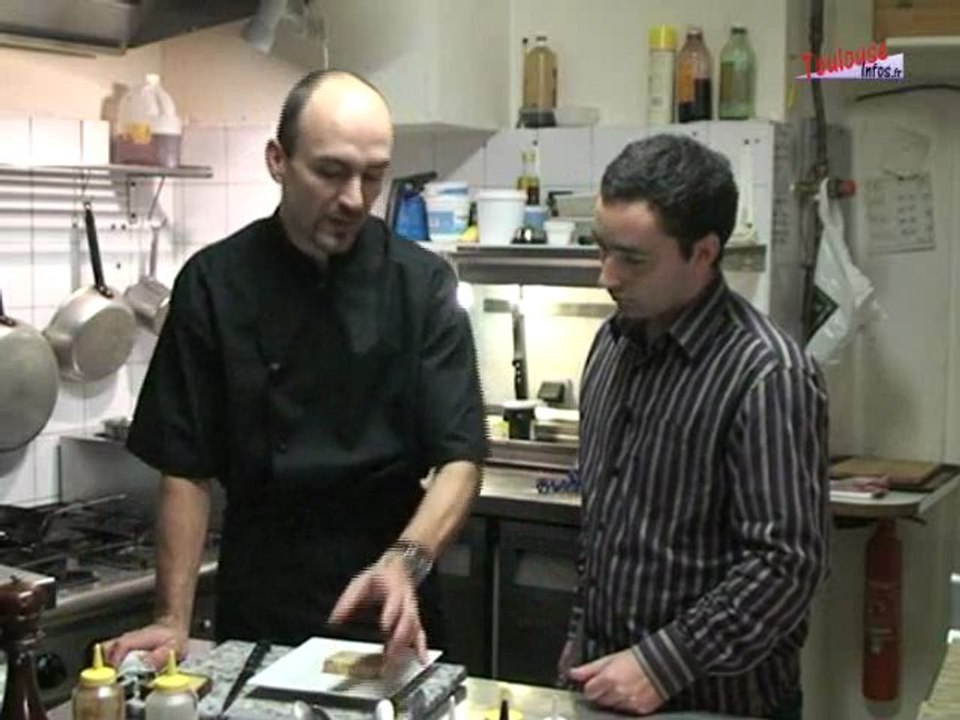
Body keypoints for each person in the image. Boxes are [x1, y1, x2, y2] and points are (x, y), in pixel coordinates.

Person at [105, 69, 487, 669]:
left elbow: (460, 459)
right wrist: (172, 618)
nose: (354, 198)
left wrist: (407, 559)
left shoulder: (421, 284)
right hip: (262, 600)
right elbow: (185, 466)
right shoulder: (214, 284)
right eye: (331, 172)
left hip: (391, 602)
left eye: (373, 176)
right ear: (277, 161)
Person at [559, 134, 829, 719]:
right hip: (608, 686)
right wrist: (583, 637)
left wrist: (661, 665)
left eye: (632, 259)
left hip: (719, 705)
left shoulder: (767, 374)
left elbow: (785, 564)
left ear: (703, 253)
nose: (607, 276)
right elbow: (604, 526)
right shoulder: (612, 345)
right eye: (602, 249)